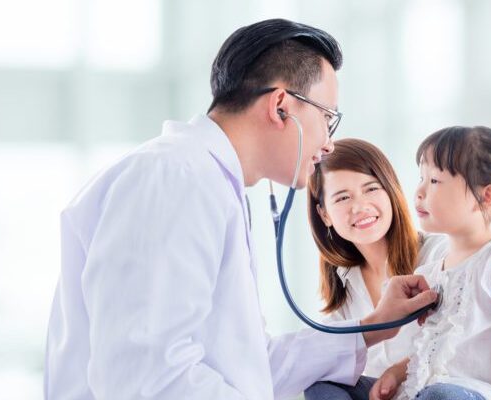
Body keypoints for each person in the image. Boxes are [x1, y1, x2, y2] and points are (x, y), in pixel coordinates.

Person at [44, 19, 437, 399]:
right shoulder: (176, 177)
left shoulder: (204, 181)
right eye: (327, 118)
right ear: (281, 105)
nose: (329, 143)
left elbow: (249, 368)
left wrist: (372, 326)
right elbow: (150, 379)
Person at [369, 126, 491, 400]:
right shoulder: (429, 272)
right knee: (328, 385)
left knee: (440, 396)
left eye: (434, 181)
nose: (419, 191)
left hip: (471, 394)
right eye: (422, 178)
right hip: (424, 390)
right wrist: (397, 372)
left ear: (486, 196)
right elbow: (433, 346)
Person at [303, 138, 448, 400]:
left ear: (390, 190)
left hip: (437, 392)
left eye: (371, 189)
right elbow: (320, 361)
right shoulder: (343, 288)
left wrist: (398, 371)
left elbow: (461, 343)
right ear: (325, 214)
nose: (360, 207)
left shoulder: (439, 254)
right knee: (319, 383)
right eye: (343, 197)